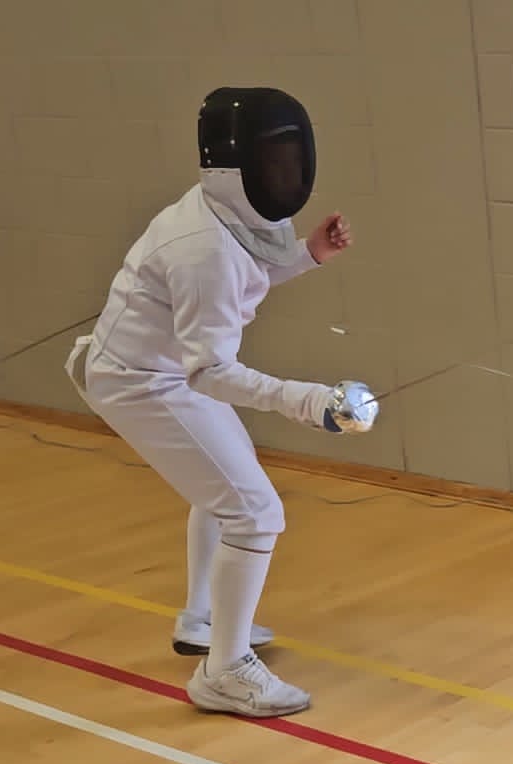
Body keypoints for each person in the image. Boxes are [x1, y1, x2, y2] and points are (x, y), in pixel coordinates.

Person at [65, 87, 376, 718]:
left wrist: (306, 256)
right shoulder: (201, 245)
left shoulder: (235, 217)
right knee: (254, 511)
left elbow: (247, 274)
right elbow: (209, 371)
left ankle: (203, 622)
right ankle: (225, 672)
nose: (286, 176)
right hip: (142, 381)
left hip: (163, 369)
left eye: (291, 161)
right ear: (236, 169)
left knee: (229, 493)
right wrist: (305, 399)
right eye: (274, 163)